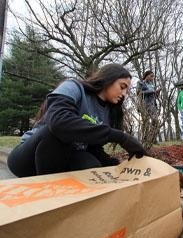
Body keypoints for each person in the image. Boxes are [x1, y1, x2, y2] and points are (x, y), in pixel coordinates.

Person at [7, 64, 146, 177]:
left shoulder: (109, 112)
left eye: (127, 91)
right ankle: (50, 202)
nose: (124, 94)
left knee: (92, 167)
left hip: (67, 156)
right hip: (30, 157)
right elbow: (59, 122)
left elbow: (93, 146)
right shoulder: (73, 87)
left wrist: (118, 166)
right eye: (122, 87)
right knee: (54, 133)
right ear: (108, 79)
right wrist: (121, 137)